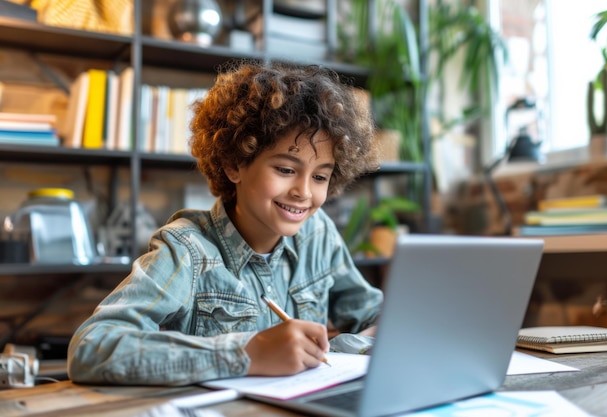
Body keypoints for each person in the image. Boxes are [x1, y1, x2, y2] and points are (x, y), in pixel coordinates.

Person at [68, 60, 383, 386]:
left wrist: (347, 346)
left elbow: (376, 314)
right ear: (235, 165)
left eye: (320, 176)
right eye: (286, 170)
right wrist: (247, 354)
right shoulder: (186, 249)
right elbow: (91, 347)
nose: (303, 192)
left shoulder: (318, 236)